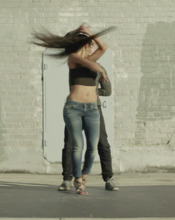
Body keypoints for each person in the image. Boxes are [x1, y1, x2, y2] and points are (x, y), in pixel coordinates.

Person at [32, 24, 115, 195]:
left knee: (100, 144)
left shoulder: (93, 60)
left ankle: (105, 178)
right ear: (83, 45)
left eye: (92, 44)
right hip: (75, 108)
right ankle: (68, 179)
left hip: (93, 108)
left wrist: (90, 33)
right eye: (89, 44)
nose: (92, 46)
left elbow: (103, 47)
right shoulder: (74, 58)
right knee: (71, 145)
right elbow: (88, 63)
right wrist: (78, 32)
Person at [58, 60, 119, 191]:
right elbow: (106, 90)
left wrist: (92, 93)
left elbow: (107, 91)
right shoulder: (97, 67)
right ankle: (108, 179)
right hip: (86, 106)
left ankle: (67, 180)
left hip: (81, 106)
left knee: (81, 143)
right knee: (97, 143)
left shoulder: (75, 65)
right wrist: (94, 92)